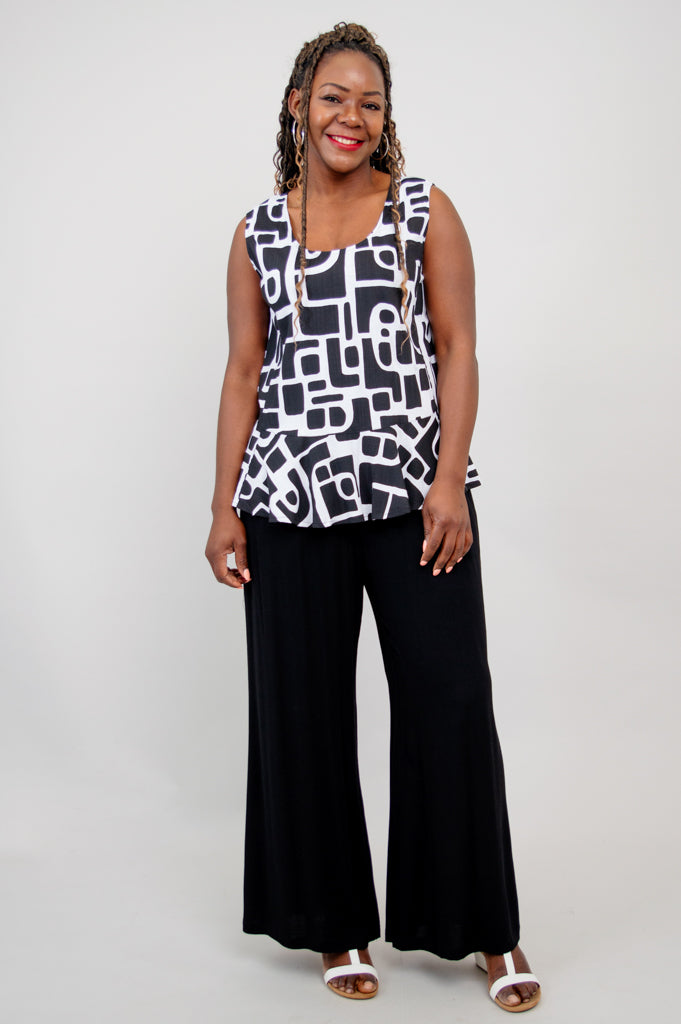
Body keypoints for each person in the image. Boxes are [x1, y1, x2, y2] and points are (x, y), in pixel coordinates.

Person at [205, 21, 541, 1012]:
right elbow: (243, 371)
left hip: (412, 501)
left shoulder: (424, 211)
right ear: (297, 106)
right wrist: (224, 506)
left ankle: (486, 931)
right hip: (287, 503)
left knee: (450, 702)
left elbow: (458, 347)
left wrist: (449, 481)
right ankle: (332, 921)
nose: (349, 116)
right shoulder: (258, 232)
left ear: (385, 118)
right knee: (302, 716)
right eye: (332, 96)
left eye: (369, 101)